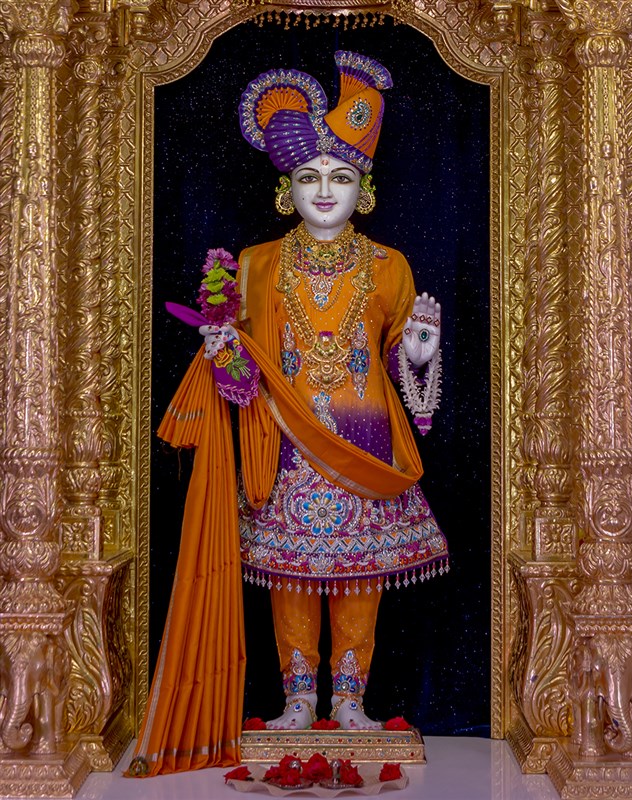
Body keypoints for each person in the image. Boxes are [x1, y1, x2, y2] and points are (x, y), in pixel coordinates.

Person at [128, 50, 448, 777]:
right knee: (293, 575)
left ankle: (352, 700)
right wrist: (224, 357)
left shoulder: (391, 266)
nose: (325, 191)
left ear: (365, 187)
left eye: (341, 177)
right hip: (282, 440)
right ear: (286, 189)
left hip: (364, 442)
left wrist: (420, 356)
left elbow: (412, 388)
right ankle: (300, 699)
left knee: (360, 573)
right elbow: (239, 382)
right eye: (309, 177)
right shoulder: (255, 265)